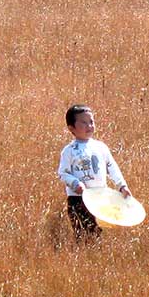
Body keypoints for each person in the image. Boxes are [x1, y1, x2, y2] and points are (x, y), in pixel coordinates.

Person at [57, 104, 132, 242]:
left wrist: (122, 185)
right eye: (84, 123)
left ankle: (96, 255)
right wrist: (75, 183)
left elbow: (112, 167)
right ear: (71, 128)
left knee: (98, 231)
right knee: (84, 233)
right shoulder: (69, 151)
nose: (89, 126)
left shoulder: (100, 147)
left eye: (91, 122)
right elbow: (63, 173)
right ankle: (82, 256)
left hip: (100, 196)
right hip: (78, 199)